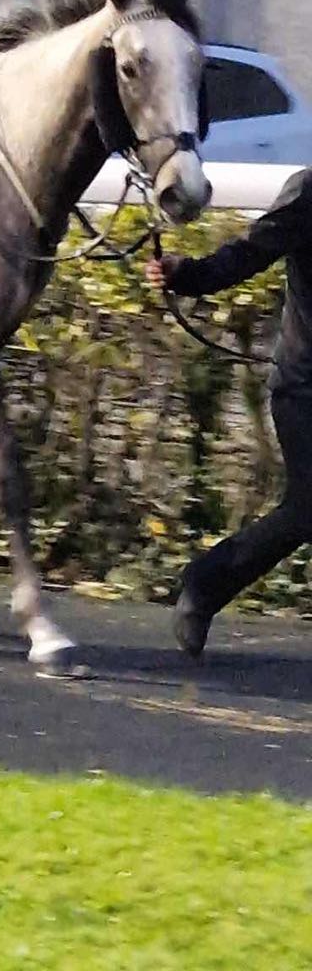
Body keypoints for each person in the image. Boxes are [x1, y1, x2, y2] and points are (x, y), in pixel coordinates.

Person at [145, 167, 312, 658]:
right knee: (307, 508)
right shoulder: (309, 193)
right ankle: (206, 583)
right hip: (305, 389)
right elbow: (249, 252)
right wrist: (186, 274)